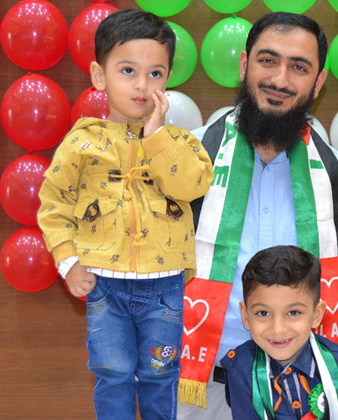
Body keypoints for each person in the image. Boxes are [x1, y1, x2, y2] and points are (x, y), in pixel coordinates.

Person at [177, 12, 338, 419]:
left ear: (318, 82)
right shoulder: (187, 159)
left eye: (299, 67)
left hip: (306, 390)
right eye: (268, 60)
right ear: (244, 64)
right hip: (199, 388)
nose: (280, 80)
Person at [37, 9, 213, 420]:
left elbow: (194, 185)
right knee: (113, 374)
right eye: (128, 70)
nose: (142, 85)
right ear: (100, 76)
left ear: (168, 80)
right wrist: (67, 261)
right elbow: (54, 204)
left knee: (160, 374)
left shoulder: (179, 142)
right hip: (105, 285)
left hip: (165, 286)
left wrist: (157, 140)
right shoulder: (81, 143)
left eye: (155, 73)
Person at [222, 245, 338, 420]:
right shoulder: (240, 369)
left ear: (316, 315)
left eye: (293, 312)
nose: (278, 329)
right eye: (263, 313)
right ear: (246, 316)